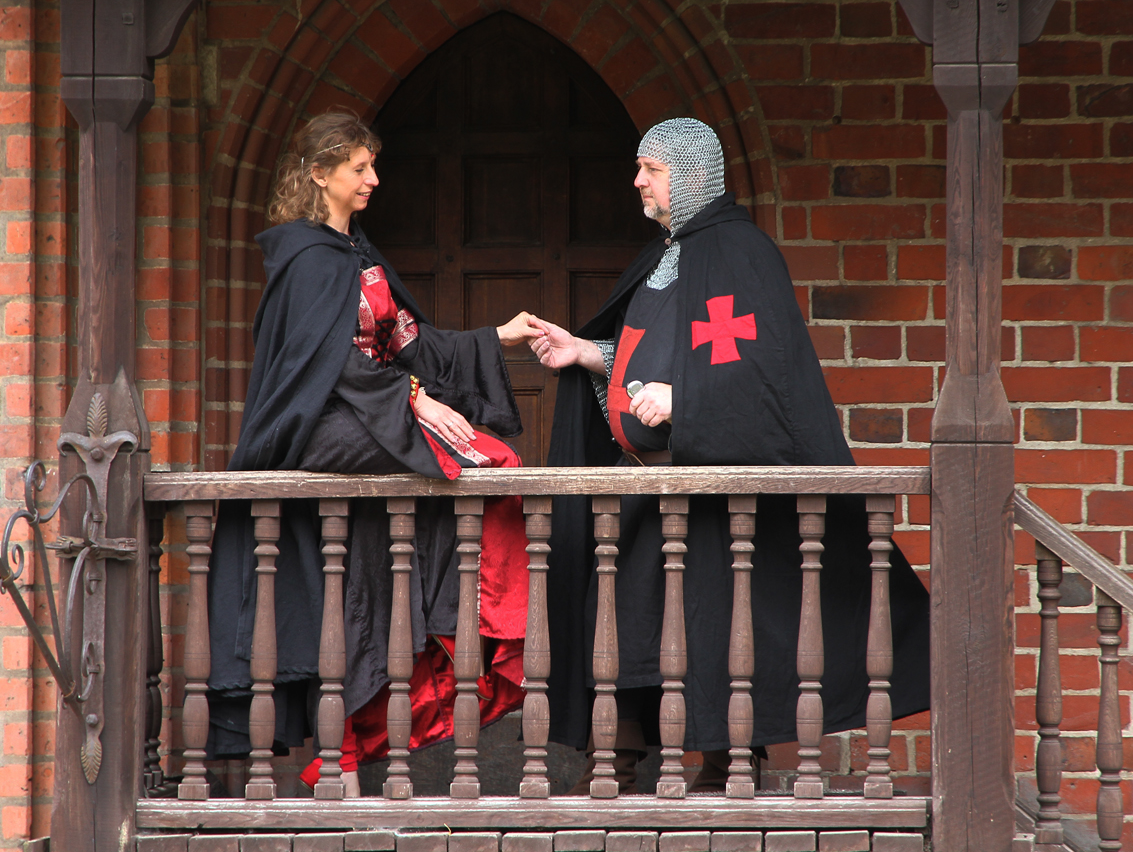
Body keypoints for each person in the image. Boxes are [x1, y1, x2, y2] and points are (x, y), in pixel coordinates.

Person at [526, 117, 930, 793]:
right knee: (623, 624)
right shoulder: (663, 259)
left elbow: (762, 374)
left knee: (715, 634)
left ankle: (723, 768)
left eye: (648, 169)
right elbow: (648, 361)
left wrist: (684, 401)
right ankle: (617, 767)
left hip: (714, 498)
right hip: (643, 493)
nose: (637, 181)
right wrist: (587, 353)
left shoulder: (744, 256)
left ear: (686, 177)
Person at [207, 111, 542, 796]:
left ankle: (462, 636)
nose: (373, 178)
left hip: (375, 421)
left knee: (489, 460)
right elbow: (326, 366)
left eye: (371, 164)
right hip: (323, 426)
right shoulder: (305, 260)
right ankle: (436, 649)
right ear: (318, 173)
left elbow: (411, 343)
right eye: (359, 166)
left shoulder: (358, 254)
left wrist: (496, 338)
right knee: (463, 460)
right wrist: (415, 402)